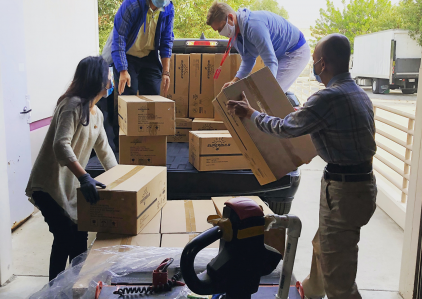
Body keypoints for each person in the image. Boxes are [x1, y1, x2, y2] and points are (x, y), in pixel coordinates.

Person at [226, 34, 377, 299]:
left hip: (344, 192)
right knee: (324, 245)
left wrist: (251, 113)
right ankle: (311, 291)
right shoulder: (358, 94)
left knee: (339, 279)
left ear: (321, 63)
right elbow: (327, 124)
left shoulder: (327, 98)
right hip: (361, 188)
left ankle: (327, 290)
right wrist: (302, 113)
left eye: (314, 62)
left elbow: (284, 129)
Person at [26, 56, 118, 281]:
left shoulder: (96, 113)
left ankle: (75, 287)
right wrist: (85, 177)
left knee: (79, 238)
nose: (111, 80)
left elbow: (105, 151)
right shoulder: (72, 105)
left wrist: (123, 182)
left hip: (70, 187)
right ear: (98, 79)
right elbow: (60, 144)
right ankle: (54, 292)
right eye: (108, 75)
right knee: (64, 236)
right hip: (48, 186)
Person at [109, 0, 174, 148]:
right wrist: (123, 71)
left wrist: (166, 72)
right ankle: (122, 146)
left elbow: (166, 40)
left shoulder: (168, 7)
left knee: (153, 96)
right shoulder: (132, 5)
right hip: (128, 56)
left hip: (149, 56)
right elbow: (119, 39)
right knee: (127, 97)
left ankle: (149, 144)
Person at [206, 1, 310, 92]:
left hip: (295, 51)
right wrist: (234, 81)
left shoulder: (254, 26)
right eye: (217, 31)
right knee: (267, 94)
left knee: (273, 94)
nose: (220, 33)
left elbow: (270, 61)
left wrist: (265, 90)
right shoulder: (237, 36)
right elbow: (248, 61)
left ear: (230, 17)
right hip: (280, 54)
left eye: (220, 28)